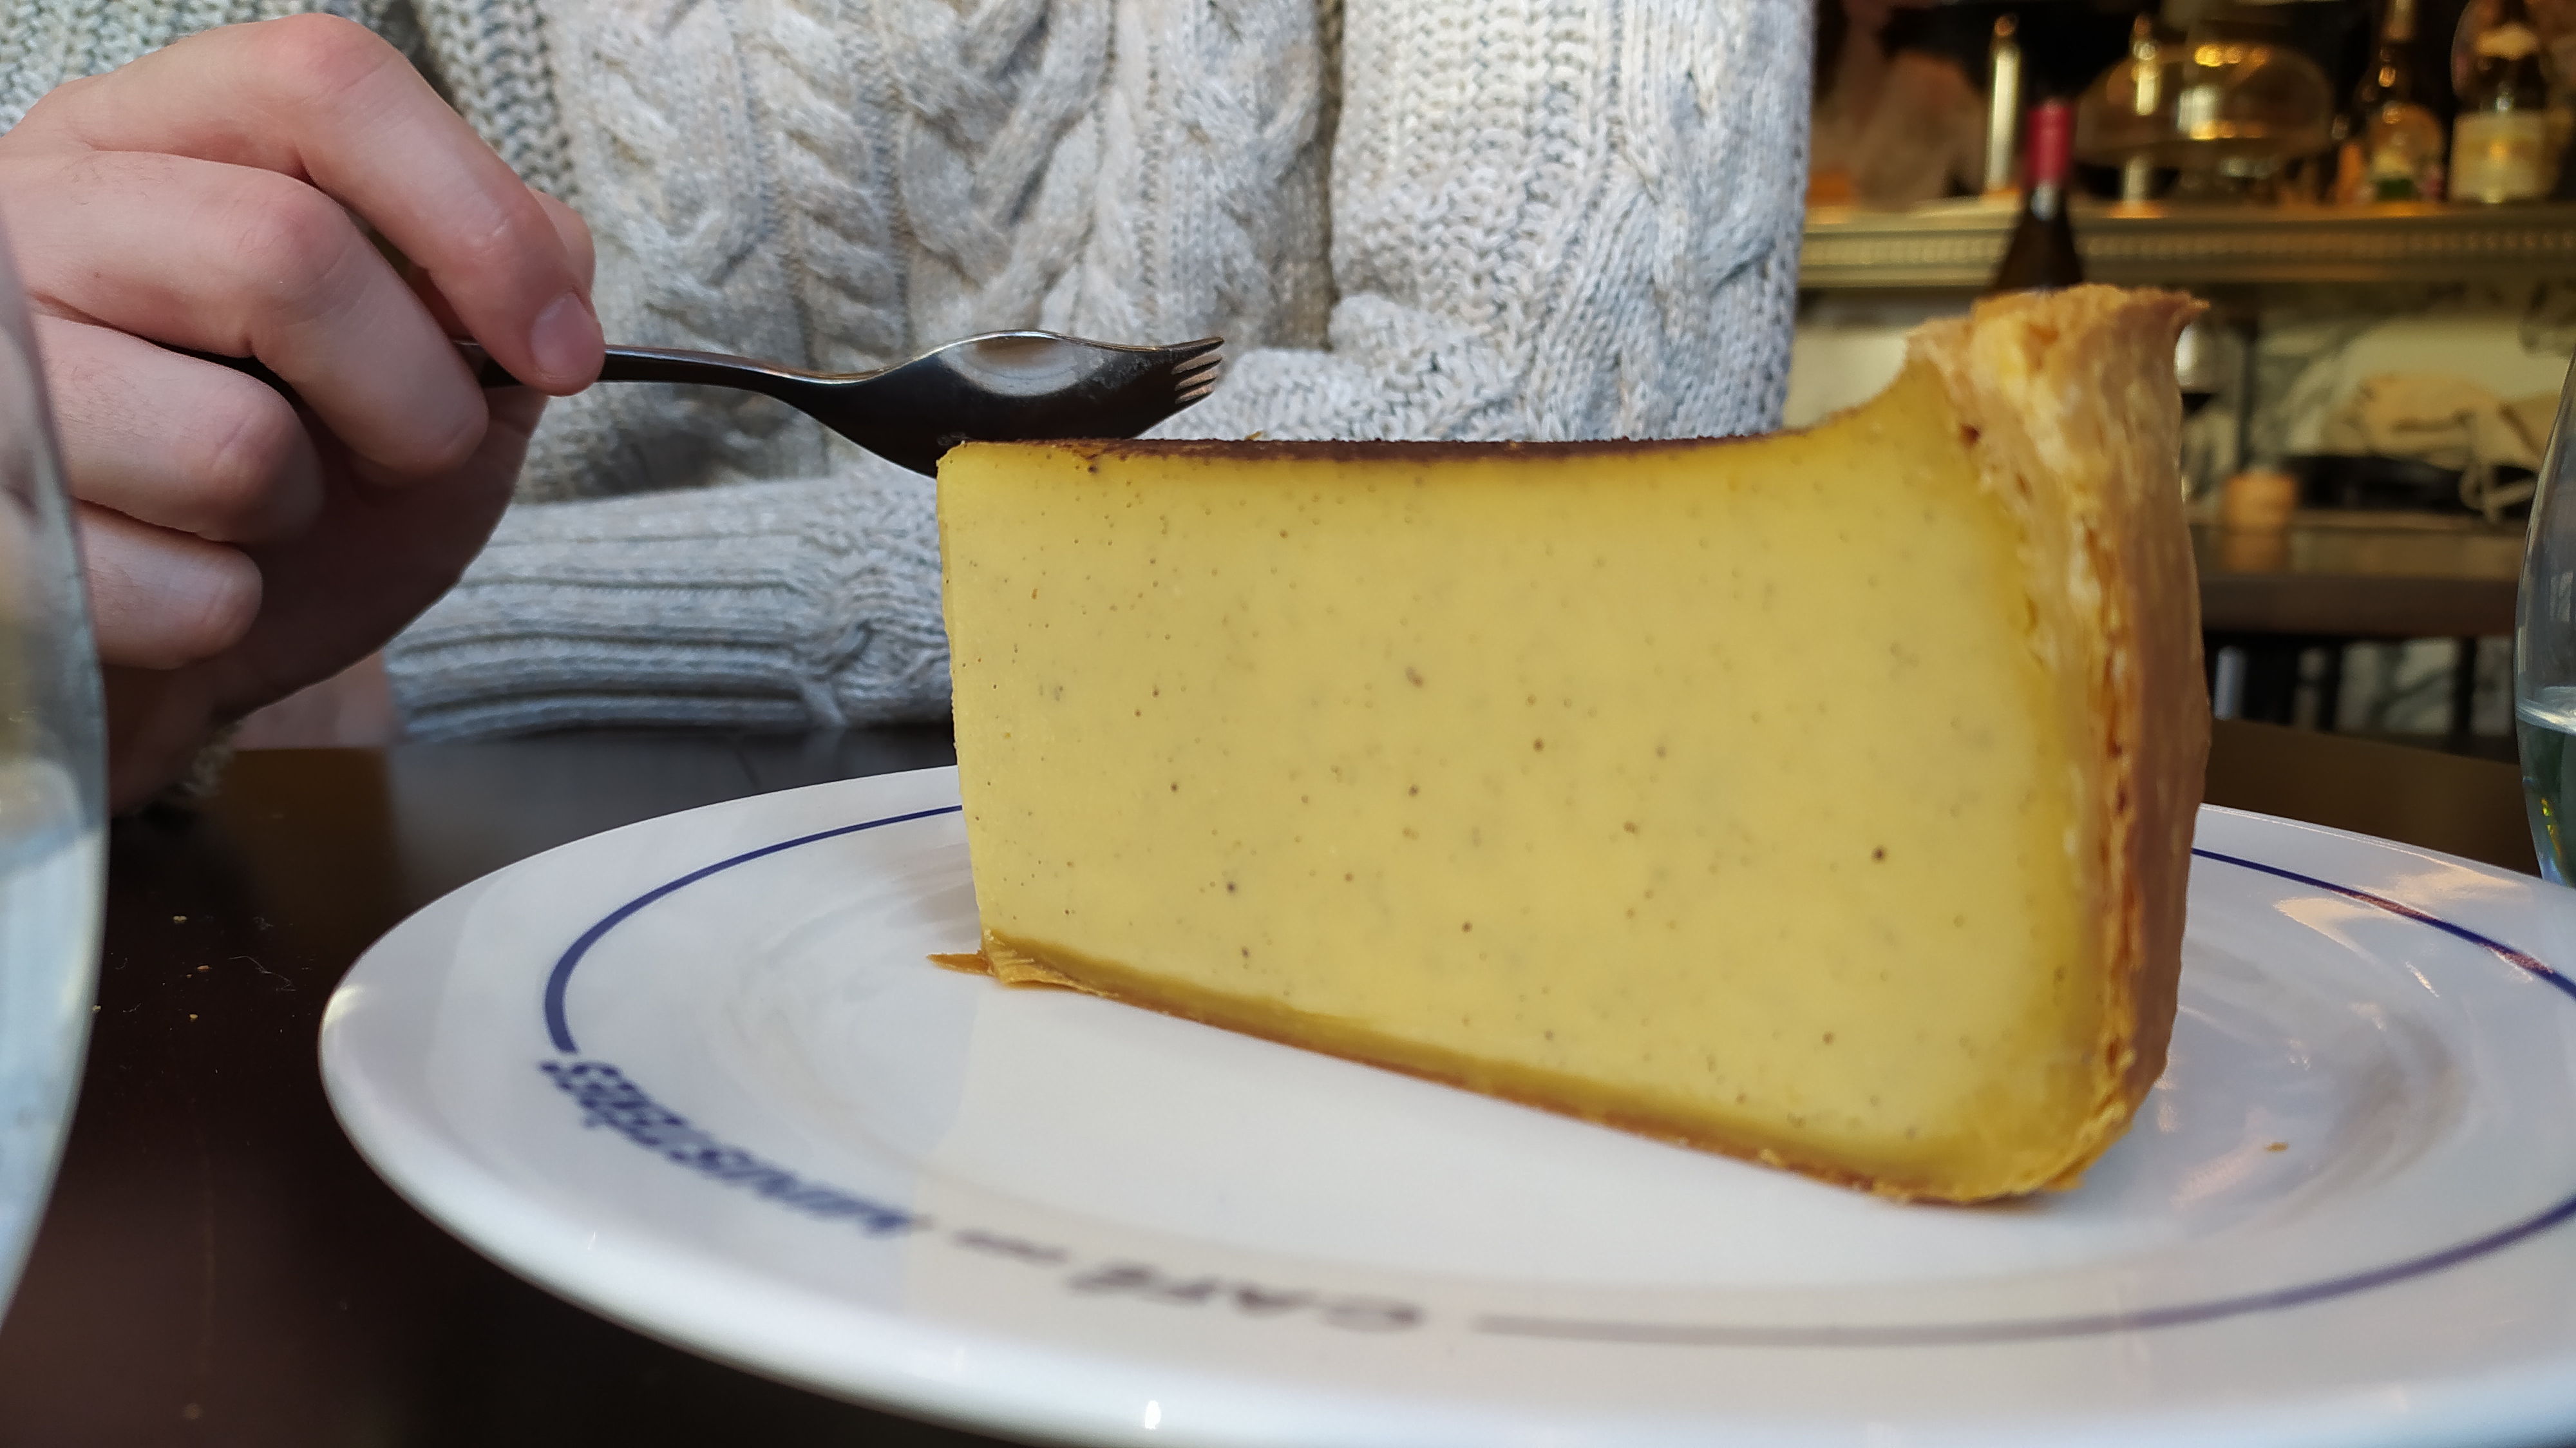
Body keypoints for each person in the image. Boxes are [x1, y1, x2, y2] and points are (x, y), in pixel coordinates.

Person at [1, 0, 1810, 812]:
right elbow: (91, 436)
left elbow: (1577, 455)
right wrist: (91, 649)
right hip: (429, 976)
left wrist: (435, 651)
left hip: (1346, 877)